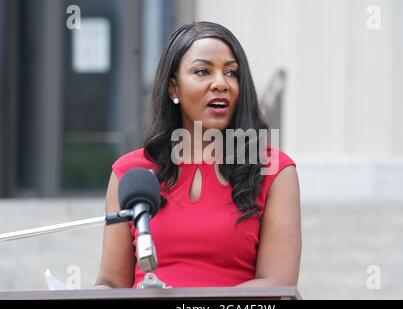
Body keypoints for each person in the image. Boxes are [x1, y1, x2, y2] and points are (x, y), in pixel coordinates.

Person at [95, 21, 301, 289]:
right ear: (173, 88)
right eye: (203, 71)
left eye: (231, 73)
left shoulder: (273, 170)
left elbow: (277, 285)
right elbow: (111, 283)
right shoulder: (131, 173)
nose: (221, 83)